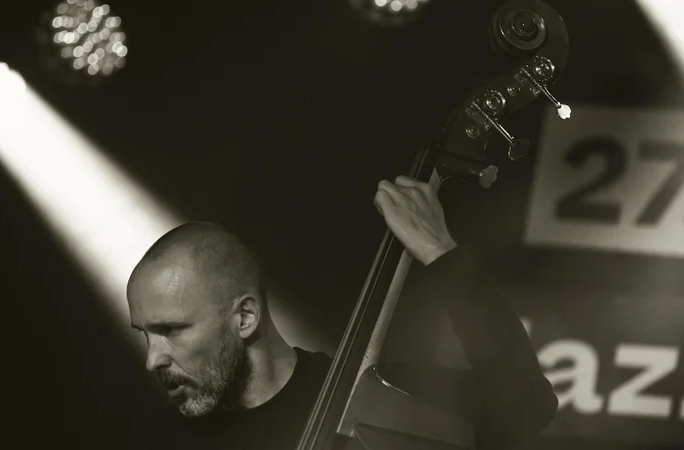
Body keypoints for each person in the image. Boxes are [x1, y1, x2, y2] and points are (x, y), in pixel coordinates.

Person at [126, 174, 558, 450]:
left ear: (245, 318)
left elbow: (525, 403)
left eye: (171, 330)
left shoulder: (372, 404)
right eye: (145, 333)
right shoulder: (158, 441)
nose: (153, 359)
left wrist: (440, 254)